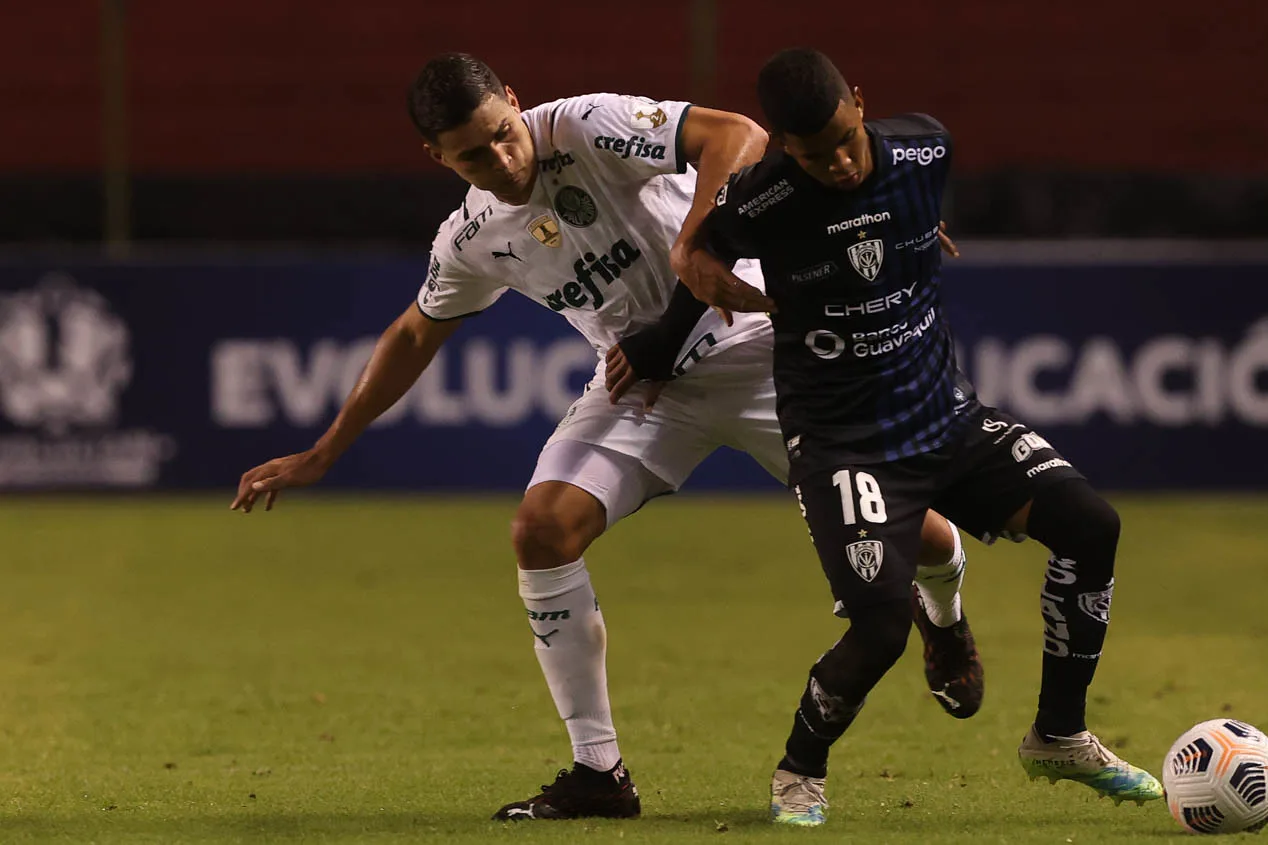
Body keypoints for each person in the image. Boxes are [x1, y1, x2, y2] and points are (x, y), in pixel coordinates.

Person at [227, 52, 981, 822]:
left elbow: (738, 135)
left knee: (913, 534)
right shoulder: (472, 236)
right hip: (645, 387)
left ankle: (946, 617)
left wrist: (694, 247)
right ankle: (599, 773)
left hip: (760, 350)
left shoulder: (586, 125)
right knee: (542, 530)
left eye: (502, 132)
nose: (503, 157)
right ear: (438, 159)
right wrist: (326, 450)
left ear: (514, 102)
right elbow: (416, 333)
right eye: (473, 154)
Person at [614, 48, 1163, 826]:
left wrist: (914, 230)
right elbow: (697, 250)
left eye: (844, 137)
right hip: (842, 442)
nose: (836, 161)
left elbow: (901, 211)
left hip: (945, 415)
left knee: (1091, 525)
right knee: (878, 627)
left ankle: (1060, 735)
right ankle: (799, 771)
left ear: (861, 102)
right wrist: (669, 319)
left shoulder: (925, 146)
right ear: (783, 148)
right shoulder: (764, 198)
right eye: (812, 153)